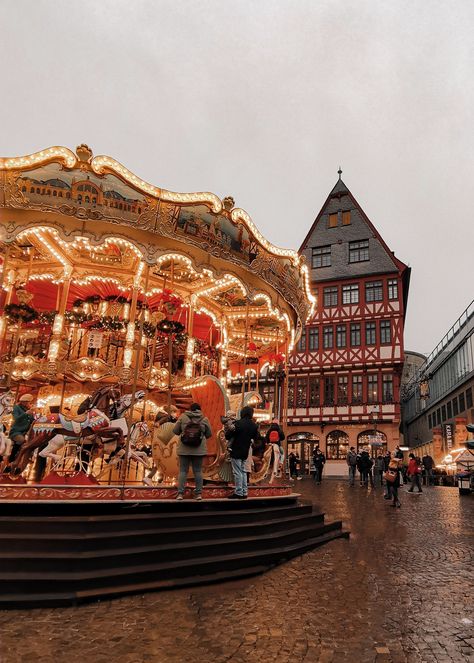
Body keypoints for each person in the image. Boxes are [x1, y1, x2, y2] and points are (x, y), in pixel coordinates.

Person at [173, 402, 212, 500]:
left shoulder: (183, 417)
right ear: (200, 409)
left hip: (184, 448)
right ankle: (198, 494)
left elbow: (175, 431)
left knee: (183, 471)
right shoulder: (204, 419)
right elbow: (209, 434)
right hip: (199, 449)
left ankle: (180, 494)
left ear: (190, 409)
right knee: (198, 471)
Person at [226, 406, 258, 499]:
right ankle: (244, 492)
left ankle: (239, 492)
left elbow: (228, 435)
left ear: (242, 413)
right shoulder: (254, 425)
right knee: (244, 471)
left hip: (236, 450)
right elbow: (255, 438)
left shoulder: (238, 423)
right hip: (246, 451)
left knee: (237, 472)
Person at [7, 393, 35, 465]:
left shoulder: (28, 409)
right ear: (24, 402)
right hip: (16, 431)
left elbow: (31, 420)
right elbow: (16, 419)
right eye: (29, 402)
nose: (30, 403)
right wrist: (26, 413)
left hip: (26, 431)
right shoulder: (16, 408)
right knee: (21, 440)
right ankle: (12, 458)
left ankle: (27, 457)